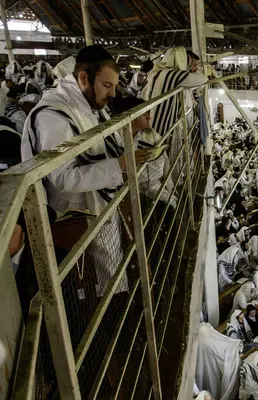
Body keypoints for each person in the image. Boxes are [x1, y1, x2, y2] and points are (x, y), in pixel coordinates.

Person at [21, 46, 152, 301]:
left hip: (97, 210)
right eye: (106, 85)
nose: (112, 93)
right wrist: (120, 166)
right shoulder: (53, 116)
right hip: (75, 219)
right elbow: (61, 178)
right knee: (93, 292)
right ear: (83, 78)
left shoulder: (88, 106)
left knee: (112, 280)